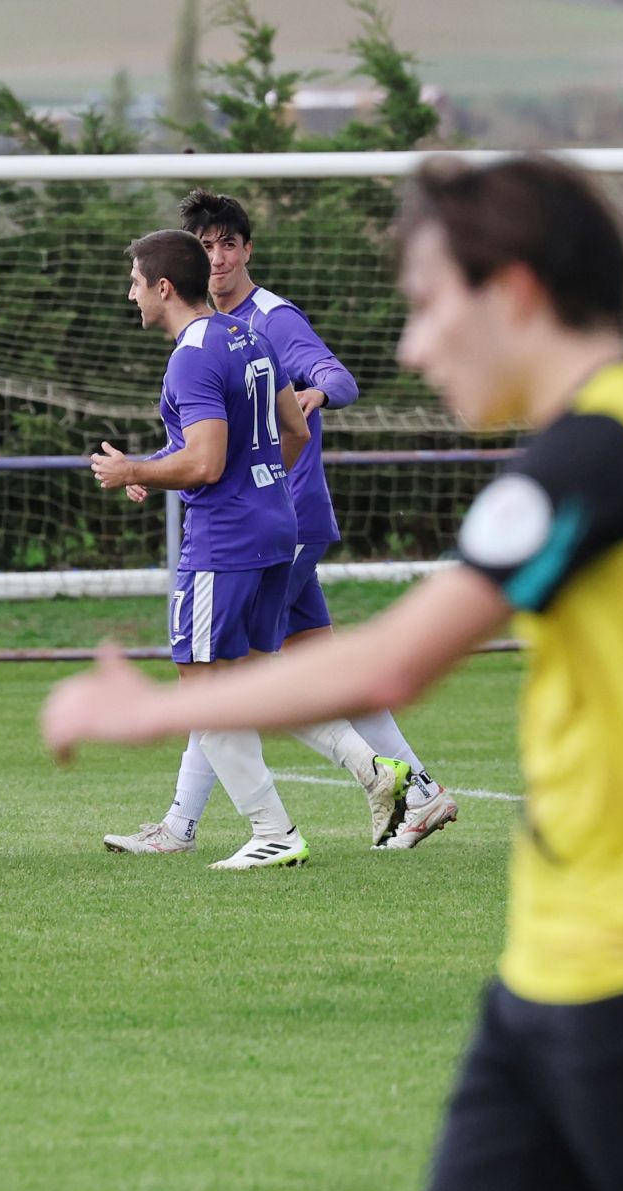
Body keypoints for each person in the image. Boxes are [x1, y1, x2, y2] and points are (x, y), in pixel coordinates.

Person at [45, 157, 623, 1191]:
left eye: (428, 305)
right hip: (549, 973)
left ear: (517, 294)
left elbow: (395, 660)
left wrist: (149, 711)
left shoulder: (590, 459)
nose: (412, 345)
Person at [145, 186, 456, 850]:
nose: (220, 257)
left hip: (276, 521)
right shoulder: (207, 332)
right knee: (300, 668)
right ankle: (422, 792)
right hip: (273, 521)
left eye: (230, 243)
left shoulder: (271, 319)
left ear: (247, 250)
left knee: (225, 674)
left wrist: (313, 389)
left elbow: (337, 378)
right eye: (207, 246)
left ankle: (187, 825)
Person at [93, 228, 408, 870]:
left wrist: (135, 473)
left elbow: (206, 464)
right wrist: (253, 484)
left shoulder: (192, 356)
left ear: (162, 287)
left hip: (225, 542)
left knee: (203, 693)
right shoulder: (249, 337)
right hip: (274, 527)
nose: (130, 297)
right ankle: (371, 769)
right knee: (254, 683)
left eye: (133, 283)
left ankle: (274, 832)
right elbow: (293, 430)